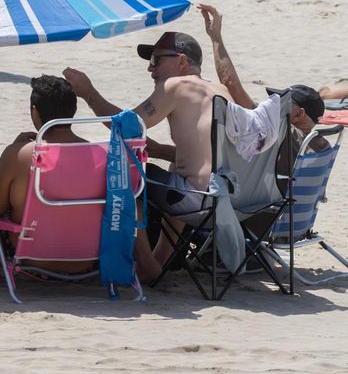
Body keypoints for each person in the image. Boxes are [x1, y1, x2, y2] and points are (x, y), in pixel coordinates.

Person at [63, 32, 232, 279]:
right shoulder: (220, 90)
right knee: (177, 171)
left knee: (131, 179)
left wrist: (89, 93)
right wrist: (158, 150)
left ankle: (146, 265)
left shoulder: (177, 85)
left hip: (199, 202)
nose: (150, 69)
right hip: (230, 200)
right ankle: (159, 260)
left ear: (181, 60)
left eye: (156, 59)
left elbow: (128, 126)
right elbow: (204, 153)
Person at [0, 75, 92, 273]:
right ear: (72, 111)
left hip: (32, 256)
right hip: (84, 258)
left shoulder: (21, 154)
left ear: (35, 113)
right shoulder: (96, 154)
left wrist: (13, 151)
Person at [196, 4, 329, 161]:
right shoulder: (323, 145)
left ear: (299, 114)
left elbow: (230, 84)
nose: (275, 103)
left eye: (284, 102)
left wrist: (216, 38)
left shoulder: (283, 133)